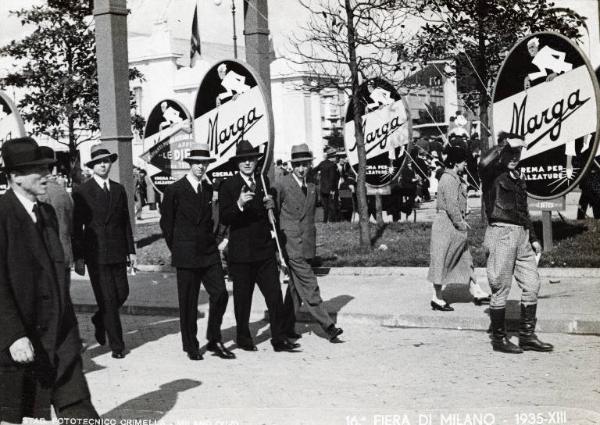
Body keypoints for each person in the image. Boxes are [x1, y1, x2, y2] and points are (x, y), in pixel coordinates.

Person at [0, 137, 98, 423]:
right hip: (19, 333)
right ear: (15, 177)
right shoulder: (2, 214)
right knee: (11, 409)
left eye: (47, 168)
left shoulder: (46, 213)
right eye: (37, 170)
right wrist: (13, 335)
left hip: (58, 329)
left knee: (76, 402)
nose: (47, 175)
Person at [218, 140, 300, 352]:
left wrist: (270, 207)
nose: (247, 163)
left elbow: (270, 218)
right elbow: (225, 217)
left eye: (251, 159)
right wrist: (240, 204)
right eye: (243, 160)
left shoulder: (263, 181)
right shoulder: (228, 186)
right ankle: (243, 338)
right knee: (243, 301)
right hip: (242, 254)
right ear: (237, 163)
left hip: (264, 251)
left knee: (274, 297)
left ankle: (279, 338)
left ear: (256, 161)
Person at [479, 132, 553, 354]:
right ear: (502, 151)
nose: (515, 156)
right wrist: (504, 145)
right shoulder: (492, 174)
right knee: (500, 286)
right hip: (501, 233)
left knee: (532, 284)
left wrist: (532, 237)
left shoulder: (518, 177)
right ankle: (499, 339)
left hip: (521, 236)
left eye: (518, 152)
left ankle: (527, 336)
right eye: (511, 152)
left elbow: (523, 211)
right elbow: (483, 162)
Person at [160, 144, 235, 361]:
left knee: (220, 294)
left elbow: (214, 220)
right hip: (186, 254)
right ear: (190, 165)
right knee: (188, 302)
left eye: (204, 164)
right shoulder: (174, 190)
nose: (201, 167)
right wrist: (178, 248)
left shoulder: (209, 190)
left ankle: (214, 338)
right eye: (197, 163)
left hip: (208, 252)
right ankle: (190, 345)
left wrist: (217, 241)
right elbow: (167, 225)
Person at [274, 144, 344, 342]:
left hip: (307, 243)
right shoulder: (282, 184)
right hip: (291, 243)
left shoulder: (312, 186)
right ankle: (328, 326)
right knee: (309, 283)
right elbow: (275, 213)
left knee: (295, 290)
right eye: (298, 165)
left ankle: (285, 327)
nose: (302, 169)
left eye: (305, 165)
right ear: (292, 165)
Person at [72, 144, 136, 359]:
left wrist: (131, 250)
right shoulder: (82, 191)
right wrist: (79, 256)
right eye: (98, 162)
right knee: (108, 300)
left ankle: (99, 319)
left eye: (106, 161)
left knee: (122, 293)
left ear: (110, 164)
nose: (103, 165)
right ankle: (117, 346)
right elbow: (76, 227)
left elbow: (126, 221)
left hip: (118, 251)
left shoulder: (118, 189)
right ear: (92, 166)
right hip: (95, 254)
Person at [427, 147, 490, 312]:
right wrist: (460, 223)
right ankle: (436, 297)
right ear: (456, 162)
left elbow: (456, 202)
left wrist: (464, 211)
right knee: (441, 260)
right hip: (446, 225)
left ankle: (475, 289)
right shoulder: (448, 179)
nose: (464, 165)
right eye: (463, 162)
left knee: (465, 258)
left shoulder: (454, 178)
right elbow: (451, 206)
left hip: (452, 225)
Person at [313, 151, 340, 222]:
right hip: (331, 188)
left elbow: (314, 171)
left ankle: (325, 220)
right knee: (332, 204)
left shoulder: (322, 163)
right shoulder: (333, 165)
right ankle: (332, 220)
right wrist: (333, 188)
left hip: (323, 188)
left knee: (325, 206)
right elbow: (334, 177)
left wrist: (315, 181)